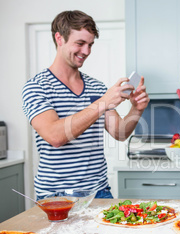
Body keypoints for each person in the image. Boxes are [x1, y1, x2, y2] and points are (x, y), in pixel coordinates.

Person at [22, 10, 149, 200]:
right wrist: (102, 103)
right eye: (80, 43)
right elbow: (55, 136)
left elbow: (120, 133)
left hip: (99, 192)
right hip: (56, 197)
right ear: (59, 38)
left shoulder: (96, 87)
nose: (86, 52)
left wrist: (136, 110)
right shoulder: (36, 87)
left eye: (90, 45)